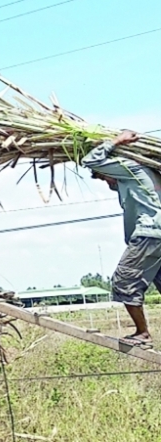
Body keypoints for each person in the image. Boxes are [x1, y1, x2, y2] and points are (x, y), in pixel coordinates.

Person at [81, 129, 161, 348]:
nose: (107, 183)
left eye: (105, 177)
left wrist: (117, 141)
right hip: (156, 238)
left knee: (124, 281)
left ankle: (143, 334)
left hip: (150, 235)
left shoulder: (131, 168)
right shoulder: (150, 175)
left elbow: (90, 160)